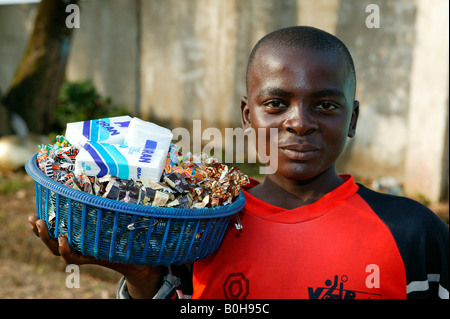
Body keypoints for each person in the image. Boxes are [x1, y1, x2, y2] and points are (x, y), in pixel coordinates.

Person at [28, 26, 449, 299]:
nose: (299, 123)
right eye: (277, 104)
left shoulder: (412, 233)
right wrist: (142, 278)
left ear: (352, 118)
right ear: (248, 116)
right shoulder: (197, 226)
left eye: (324, 105)